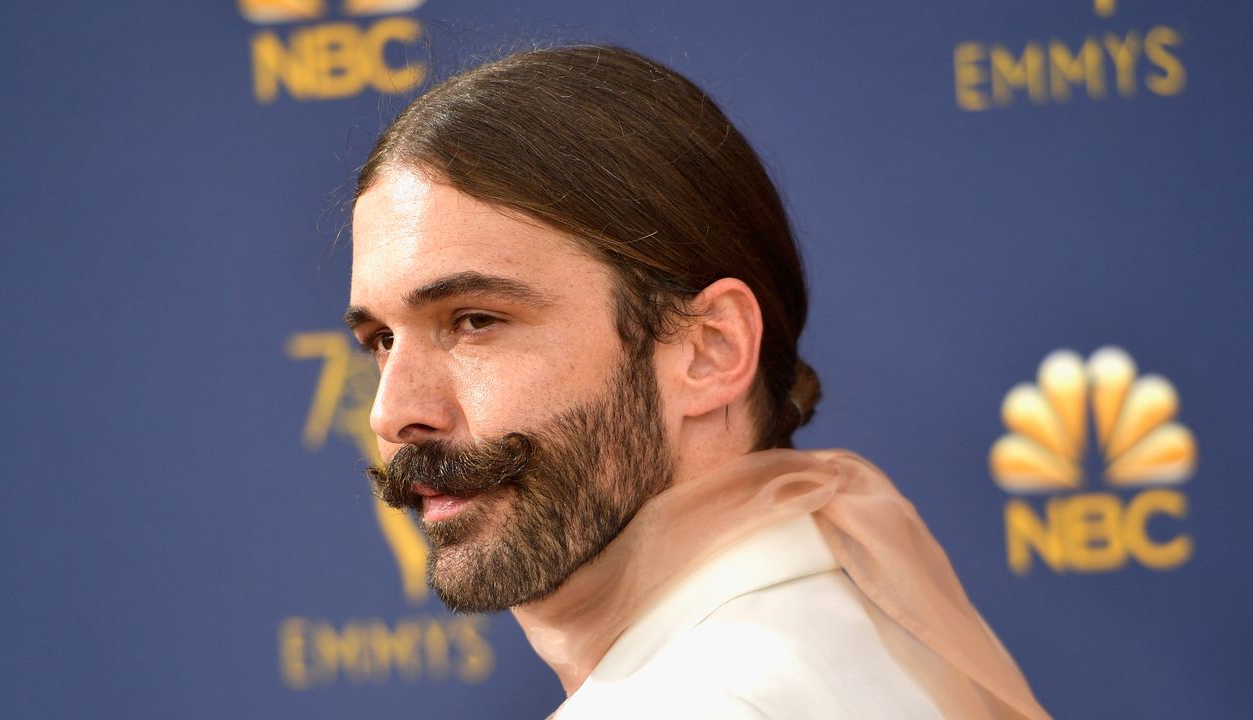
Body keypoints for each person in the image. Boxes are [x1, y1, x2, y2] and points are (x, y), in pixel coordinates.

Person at [344, 44, 1049, 719]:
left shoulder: (695, 703)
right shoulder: (862, 632)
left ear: (710, 349)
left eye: (474, 320)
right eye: (381, 339)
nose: (393, 412)